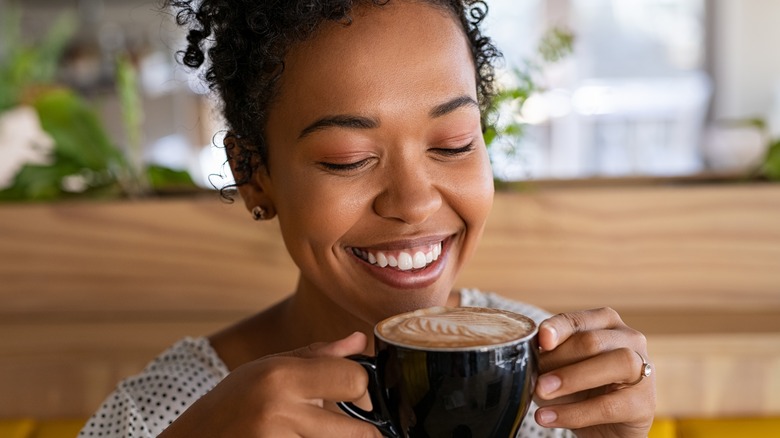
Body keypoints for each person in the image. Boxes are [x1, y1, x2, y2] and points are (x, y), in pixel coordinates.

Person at [79, 0, 656, 437]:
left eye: (453, 144)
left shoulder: (551, 386)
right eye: (347, 160)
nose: (412, 202)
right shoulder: (164, 413)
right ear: (254, 172)